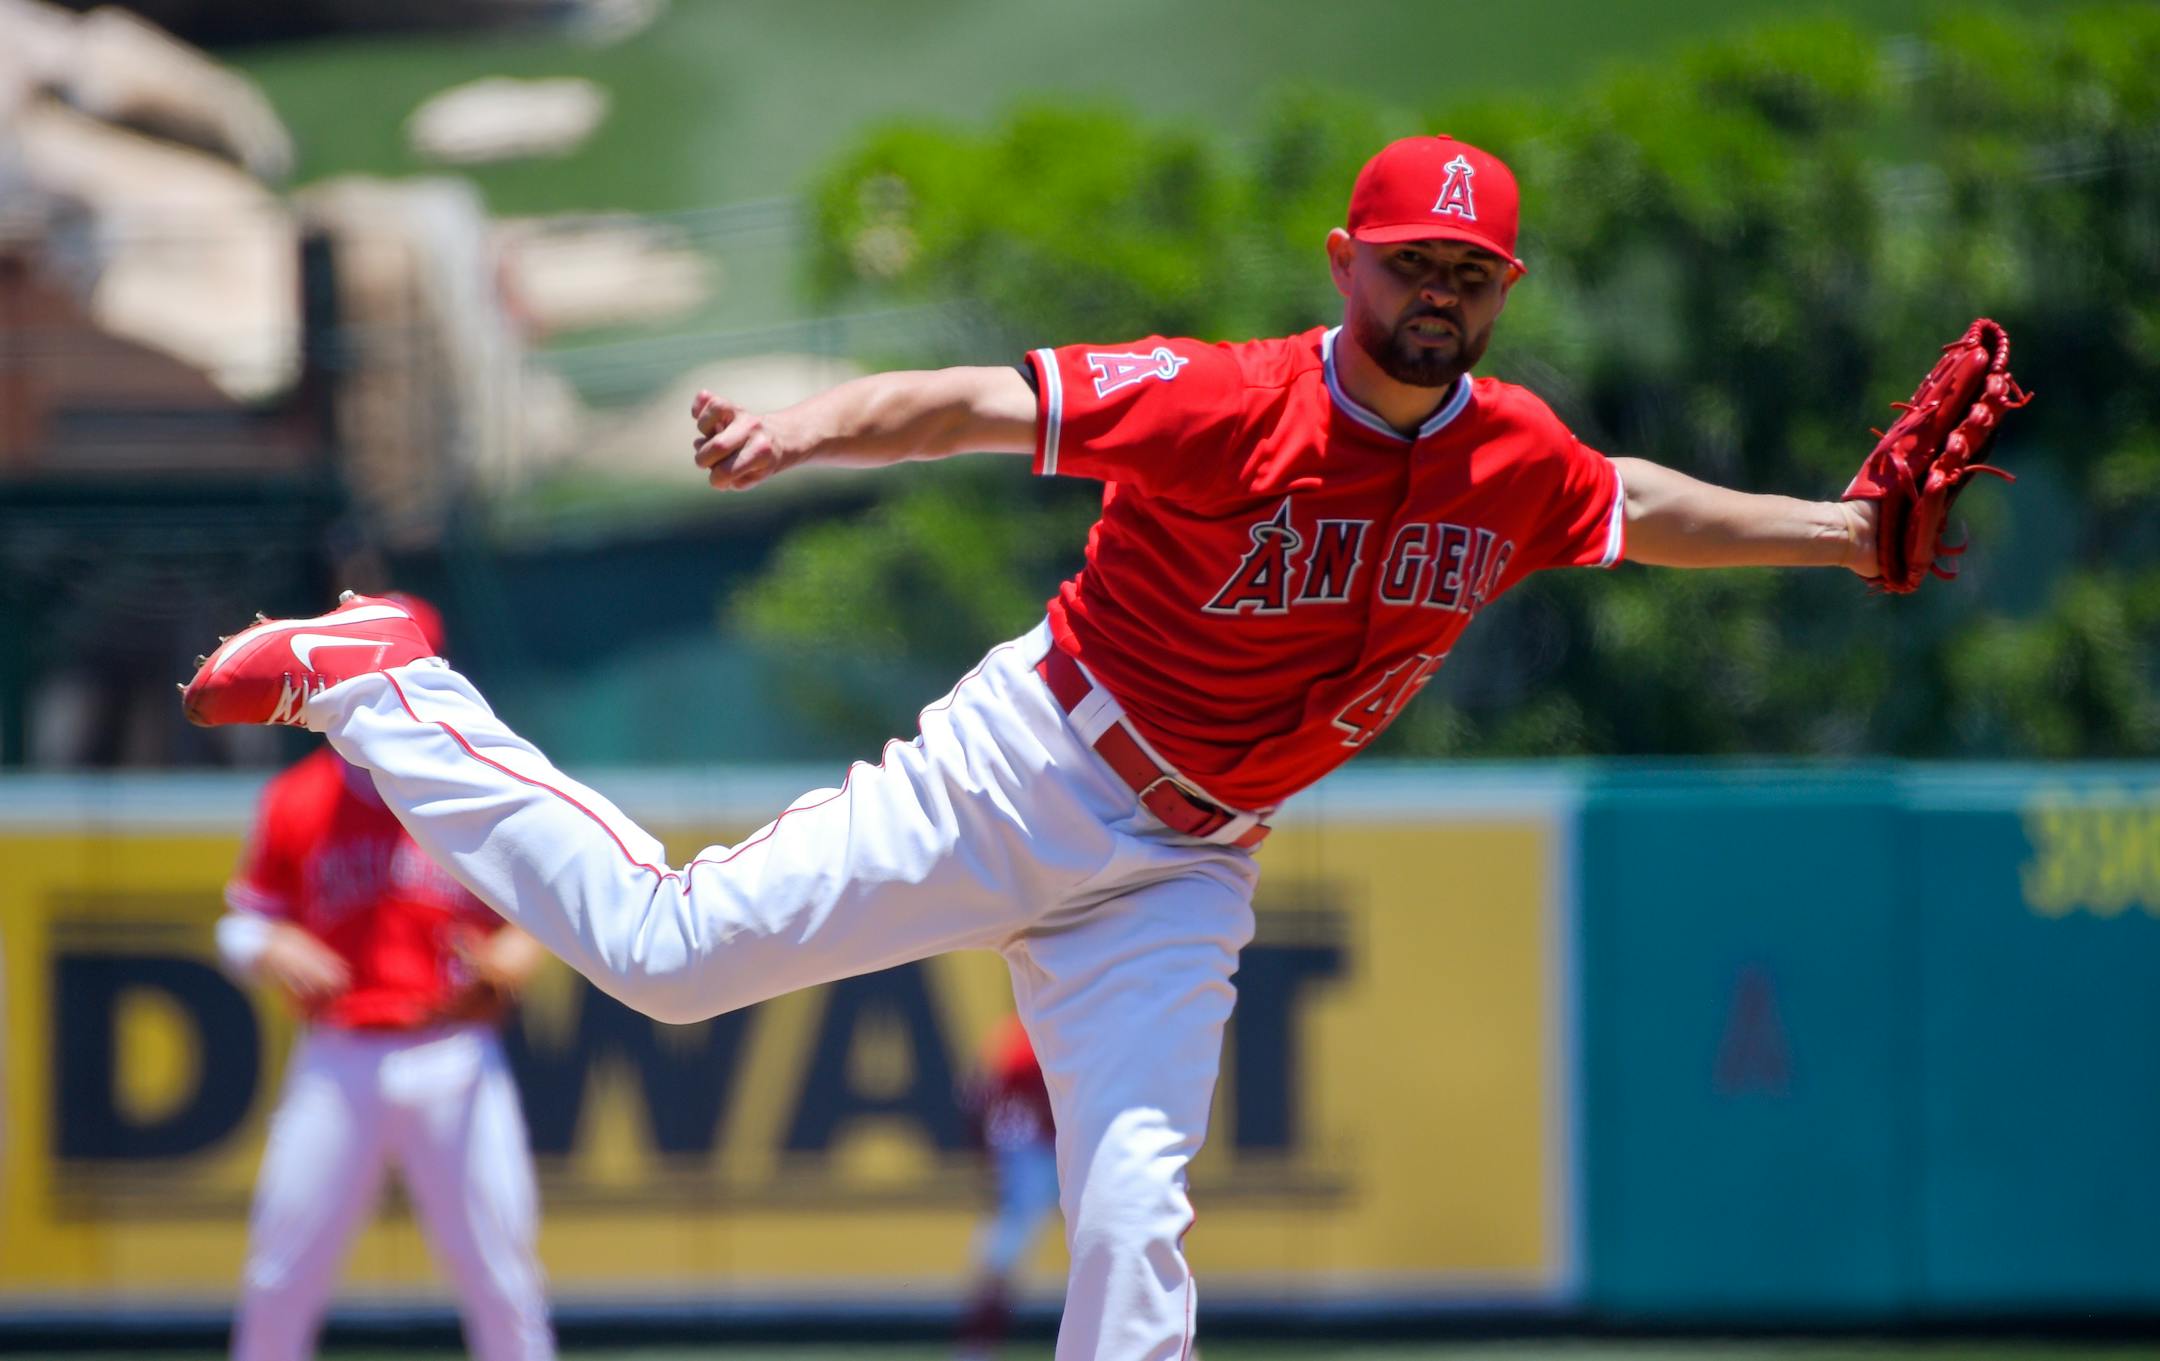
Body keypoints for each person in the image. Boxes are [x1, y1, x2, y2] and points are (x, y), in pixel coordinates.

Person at [181, 135, 1880, 1359]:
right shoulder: (1235, 402)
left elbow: (1633, 507)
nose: (1437, 291)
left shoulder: (1511, 456)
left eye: (1469, 271)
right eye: (1410, 260)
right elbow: (983, 400)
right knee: (668, 957)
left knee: (1138, 1222)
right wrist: (806, 426)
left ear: (1500, 290)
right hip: (1037, 769)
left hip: (1185, 865)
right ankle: (387, 681)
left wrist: (1842, 531)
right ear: (1344, 262)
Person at [212, 594, 556, 1361]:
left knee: (501, 1277)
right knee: (280, 1273)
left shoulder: (476, 790)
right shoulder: (299, 797)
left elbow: (545, 910)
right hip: (339, 1058)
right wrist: (274, 946)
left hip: (455, 1050)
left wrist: (515, 957)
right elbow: (236, 926)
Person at [954, 1014, 1061, 1360]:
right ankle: (977, 1347)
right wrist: (988, 1166)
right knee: (1003, 1256)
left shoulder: (1062, 1021)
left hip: (1074, 1149)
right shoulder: (1026, 1036)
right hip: (1035, 1152)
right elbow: (979, 1096)